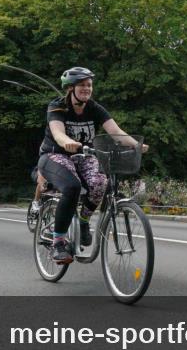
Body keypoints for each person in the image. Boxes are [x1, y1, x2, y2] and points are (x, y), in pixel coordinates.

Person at [37, 67, 148, 264]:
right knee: (72, 187)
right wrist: (66, 142)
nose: (87, 89)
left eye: (89, 85)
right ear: (70, 88)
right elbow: (57, 132)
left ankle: (84, 221)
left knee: (99, 182)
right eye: (82, 85)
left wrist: (136, 145)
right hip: (55, 155)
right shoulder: (57, 106)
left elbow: (116, 132)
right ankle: (59, 242)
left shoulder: (94, 108)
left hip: (84, 156)